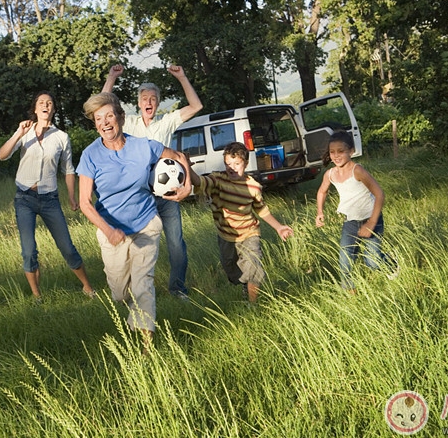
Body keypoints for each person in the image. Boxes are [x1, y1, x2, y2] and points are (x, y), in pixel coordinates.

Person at [77, 92, 192, 349]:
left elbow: (179, 158)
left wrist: (186, 187)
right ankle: (134, 309)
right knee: (118, 292)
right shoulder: (90, 155)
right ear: (95, 124)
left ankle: (146, 348)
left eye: (109, 116)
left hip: (146, 225)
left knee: (144, 284)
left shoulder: (144, 146)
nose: (105, 123)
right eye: (98, 119)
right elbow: (84, 202)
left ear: (120, 117)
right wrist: (108, 231)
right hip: (111, 230)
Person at [102, 64, 203, 299]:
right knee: (133, 244)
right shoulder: (130, 124)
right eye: (145, 98)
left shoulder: (166, 122)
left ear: (158, 103)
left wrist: (182, 76)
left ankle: (178, 289)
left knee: (176, 244)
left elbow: (197, 106)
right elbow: (103, 105)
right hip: (138, 197)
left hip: (168, 196)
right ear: (138, 103)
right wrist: (111, 77)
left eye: (154, 98)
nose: (149, 102)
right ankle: (132, 290)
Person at [0, 91, 97, 303]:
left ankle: (87, 287)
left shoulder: (61, 137)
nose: (46, 105)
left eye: (49, 103)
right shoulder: (24, 132)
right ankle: (37, 295)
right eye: (41, 102)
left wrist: (72, 196)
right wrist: (18, 132)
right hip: (24, 198)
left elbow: (68, 170)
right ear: (35, 109)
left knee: (67, 247)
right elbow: (2, 155)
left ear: (53, 109)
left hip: (50, 199)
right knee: (29, 250)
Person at [188, 142, 293, 303]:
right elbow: (199, 182)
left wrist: (279, 227)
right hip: (226, 235)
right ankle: (244, 283)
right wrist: (187, 168)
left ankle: (252, 306)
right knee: (231, 270)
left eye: (236, 163)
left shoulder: (253, 187)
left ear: (245, 163)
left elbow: (261, 210)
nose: (232, 167)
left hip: (249, 233)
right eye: (228, 164)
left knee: (253, 266)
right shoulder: (218, 180)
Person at [315, 130, 397, 291]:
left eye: (341, 151)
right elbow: (321, 191)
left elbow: (379, 194)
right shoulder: (330, 174)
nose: (336, 156)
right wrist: (320, 212)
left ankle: (390, 262)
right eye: (332, 152)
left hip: (371, 219)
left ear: (351, 151)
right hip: (351, 222)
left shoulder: (357, 171)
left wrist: (371, 222)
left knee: (371, 262)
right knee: (345, 262)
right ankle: (352, 299)